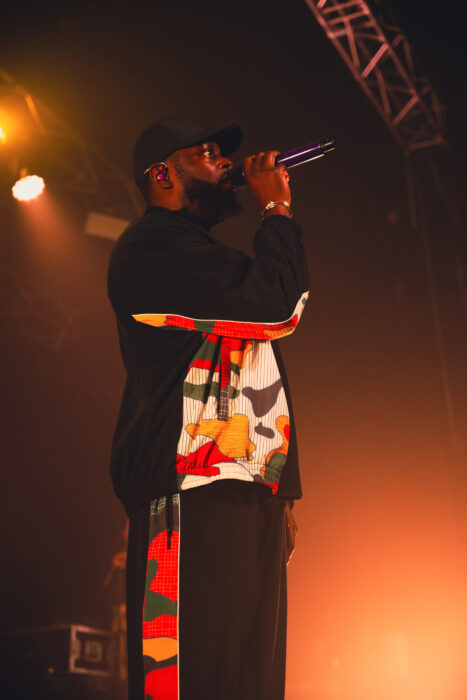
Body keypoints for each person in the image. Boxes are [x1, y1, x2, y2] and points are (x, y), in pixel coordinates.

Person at [107, 116, 309, 700]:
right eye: (207, 152)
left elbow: (255, 359)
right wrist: (276, 211)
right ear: (162, 175)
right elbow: (279, 307)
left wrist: (282, 488)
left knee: (251, 680)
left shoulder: (201, 255)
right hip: (189, 491)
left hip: (252, 487)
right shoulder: (151, 247)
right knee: (192, 676)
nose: (224, 162)